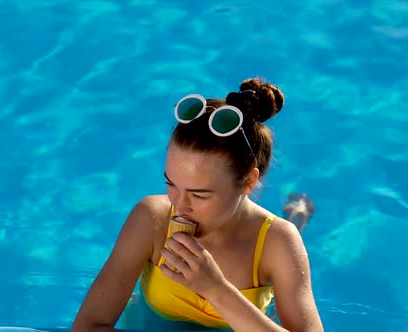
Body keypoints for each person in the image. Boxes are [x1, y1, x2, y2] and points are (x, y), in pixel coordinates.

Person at [71, 78, 324, 332]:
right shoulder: (152, 219)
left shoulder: (279, 244)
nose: (179, 207)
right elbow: (87, 327)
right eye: (170, 184)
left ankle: (295, 218)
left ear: (248, 182)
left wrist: (217, 289)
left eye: (199, 195)